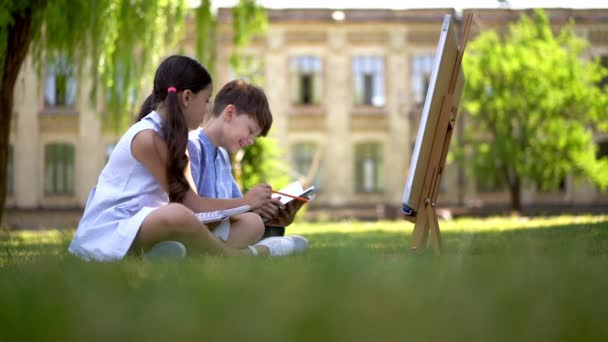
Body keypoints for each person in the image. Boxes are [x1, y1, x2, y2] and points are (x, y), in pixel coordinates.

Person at [68, 55, 304, 261]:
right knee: (178, 214)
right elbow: (189, 206)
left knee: (248, 224)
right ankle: (237, 256)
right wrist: (247, 201)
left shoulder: (175, 140)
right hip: (115, 228)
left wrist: (255, 209)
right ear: (187, 98)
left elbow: (197, 209)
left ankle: (168, 254)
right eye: (207, 100)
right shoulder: (147, 137)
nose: (207, 109)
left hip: (148, 224)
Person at [187, 79, 308, 245]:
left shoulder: (221, 155)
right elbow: (190, 207)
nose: (251, 141)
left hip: (220, 231)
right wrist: (247, 204)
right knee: (255, 226)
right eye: (250, 131)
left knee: (271, 228)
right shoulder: (192, 146)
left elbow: (238, 208)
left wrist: (267, 211)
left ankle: (264, 245)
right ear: (229, 114)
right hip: (196, 231)